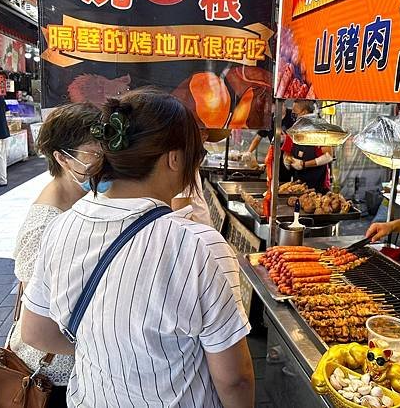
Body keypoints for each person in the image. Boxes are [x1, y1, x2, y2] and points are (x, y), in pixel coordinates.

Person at [21, 88, 254, 408]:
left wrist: (111, 345)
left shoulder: (61, 227)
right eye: (196, 156)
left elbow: (35, 331)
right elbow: (234, 378)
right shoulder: (200, 247)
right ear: (175, 158)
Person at [9, 102, 102, 407]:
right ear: (62, 157)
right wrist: (109, 346)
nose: (105, 163)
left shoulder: (85, 203)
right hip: (51, 377)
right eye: (94, 154)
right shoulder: (44, 226)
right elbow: (37, 329)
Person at [282, 100, 334, 193]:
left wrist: (304, 164)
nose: (293, 115)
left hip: (318, 184)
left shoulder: (320, 128)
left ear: (304, 112)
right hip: (297, 184)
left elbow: (328, 156)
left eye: (295, 113)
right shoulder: (294, 130)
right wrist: (287, 160)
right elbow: (287, 152)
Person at [171, 128, 212, 227]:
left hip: (198, 229)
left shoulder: (188, 156)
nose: (206, 134)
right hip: (193, 231)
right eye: (201, 129)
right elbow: (180, 211)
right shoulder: (182, 160)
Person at [244, 104, 295, 182]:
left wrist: (286, 139)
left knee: (287, 182)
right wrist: (249, 152)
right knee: (273, 180)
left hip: (291, 155)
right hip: (274, 155)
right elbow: (258, 137)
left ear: (283, 103)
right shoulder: (269, 119)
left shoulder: (293, 116)